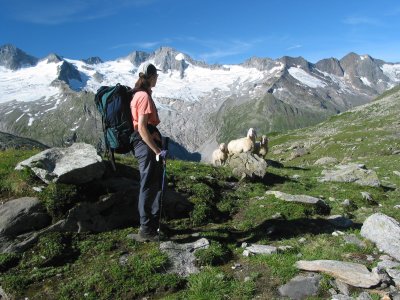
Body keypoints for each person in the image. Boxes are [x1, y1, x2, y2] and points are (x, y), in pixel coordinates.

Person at [130, 62, 167, 241]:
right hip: (146, 146)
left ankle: (152, 225)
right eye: (156, 75)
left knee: (153, 184)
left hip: (145, 145)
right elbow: (142, 128)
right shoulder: (143, 96)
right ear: (150, 76)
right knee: (148, 185)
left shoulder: (139, 94)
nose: (157, 78)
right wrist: (157, 150)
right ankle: (146, 229)